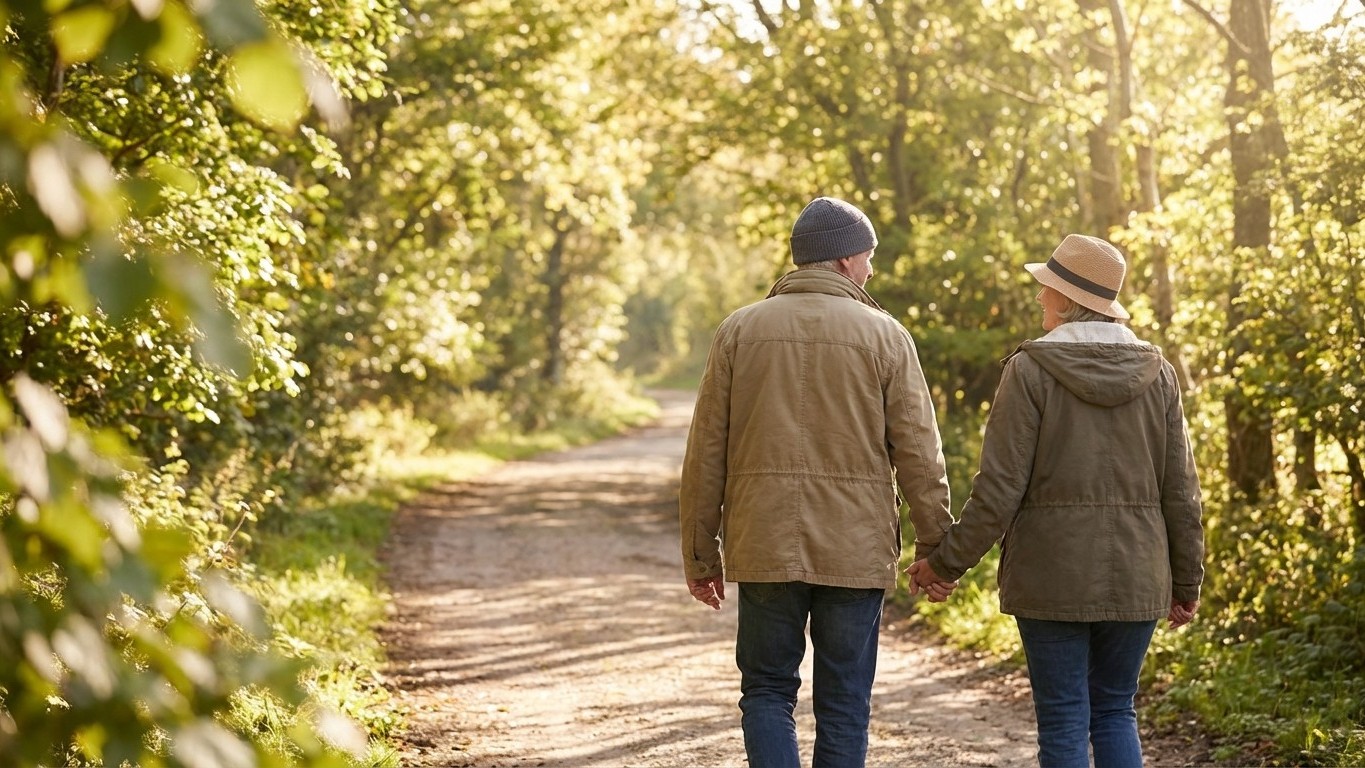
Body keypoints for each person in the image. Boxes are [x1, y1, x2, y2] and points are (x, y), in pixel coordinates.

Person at [905, 234, 1205, 768]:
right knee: (1115, 711)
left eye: (1046, 288)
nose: (1039, 297)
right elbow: (1181, 492)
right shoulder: (1158, 373)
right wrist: (1186, 581)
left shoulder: (1030, 371)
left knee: (1065, 717)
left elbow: (998, 490)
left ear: (1067, 299)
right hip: (1138, 571)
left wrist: (943, 564)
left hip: (1051, 577)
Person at [679, 196, 956, 768]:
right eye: (869, 257)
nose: (872, 271)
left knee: (766, 691)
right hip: (854, 552)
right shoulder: (886, 336)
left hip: (763, 542)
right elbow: (920, 455)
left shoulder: (738, 331)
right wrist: (937, 548)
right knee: (845, 700)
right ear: (846, 259)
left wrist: (701, 554)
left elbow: (705, 454)